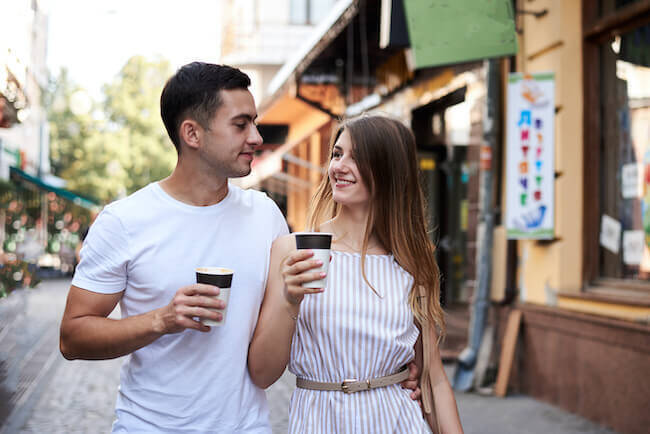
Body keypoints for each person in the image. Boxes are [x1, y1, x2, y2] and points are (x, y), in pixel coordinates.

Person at [59, 63, 289, 433]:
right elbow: (72, 337)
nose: (257, 137)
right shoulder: (125, 221)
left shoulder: (266, 216)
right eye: (240, 124)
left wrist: (403, 367)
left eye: (255, 123)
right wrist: (161, 320)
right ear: (192, 134)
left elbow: (290, 324)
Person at [248, 115, 464, 433]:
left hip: (396, 422)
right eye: (337, 154)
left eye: (356, 157)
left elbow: (434, 379)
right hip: (319, 421)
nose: (339, 166)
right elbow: (262, 374)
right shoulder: (291, 251)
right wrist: (289, 300)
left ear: (389, 171)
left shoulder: (410, 263)